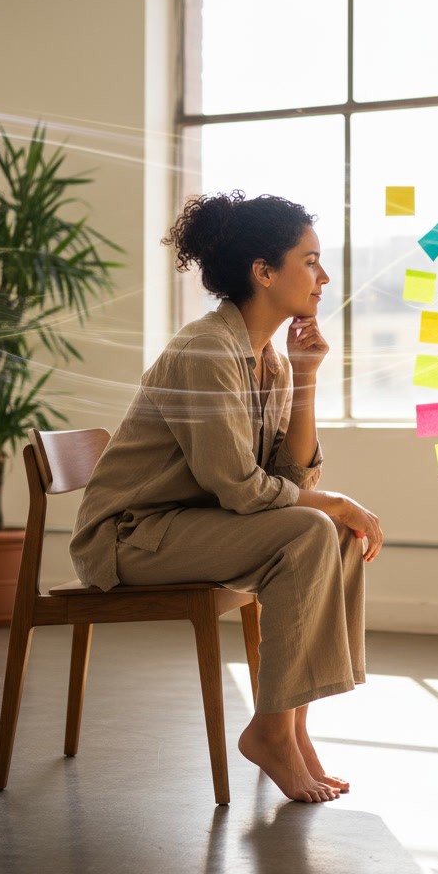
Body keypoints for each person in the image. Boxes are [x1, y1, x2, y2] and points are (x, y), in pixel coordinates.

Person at [69, 190, 383, 803]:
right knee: (315, 526)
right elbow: (242, 490)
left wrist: (307, 373)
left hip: (189, 526)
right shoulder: (207, 350)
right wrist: (337, 503)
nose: (322, 277)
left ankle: (290, 726)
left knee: (331, 531)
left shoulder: (268, 358)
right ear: (264, 273)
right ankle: (272, 733)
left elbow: (287, 485)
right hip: (131, 538)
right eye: (310, 261)